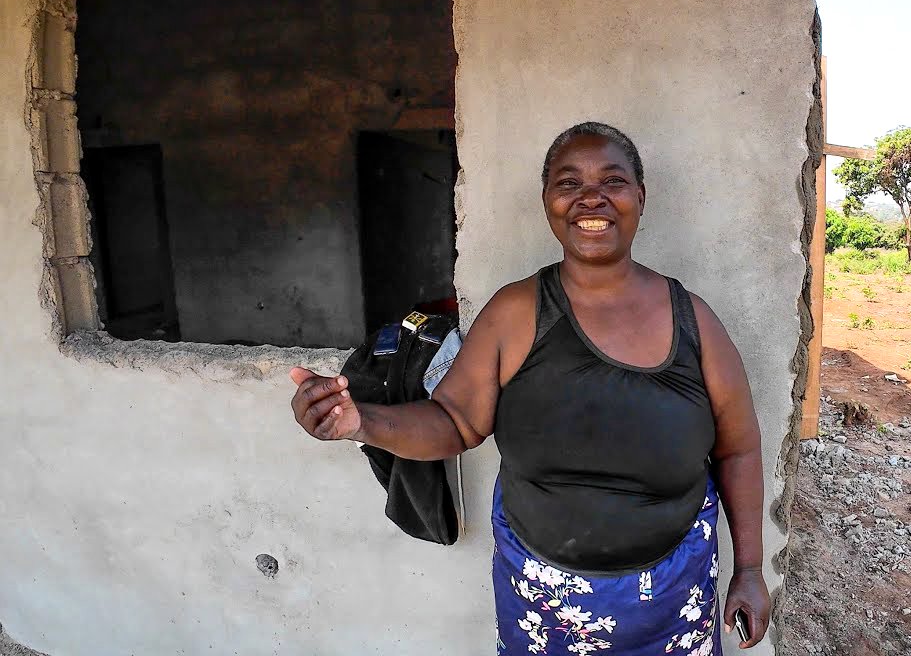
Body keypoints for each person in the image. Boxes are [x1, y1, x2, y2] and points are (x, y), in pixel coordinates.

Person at [290, 122, 771, 654]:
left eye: (613, 181)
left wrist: (749, 569)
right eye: (569, 183)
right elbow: (454, 422)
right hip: (543, 607)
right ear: (547, 201)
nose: (592, 197)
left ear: (640, 195)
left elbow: (739, 449)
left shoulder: (694, 321)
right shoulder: (516, 314)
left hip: (675, 600)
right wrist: (363, 422)